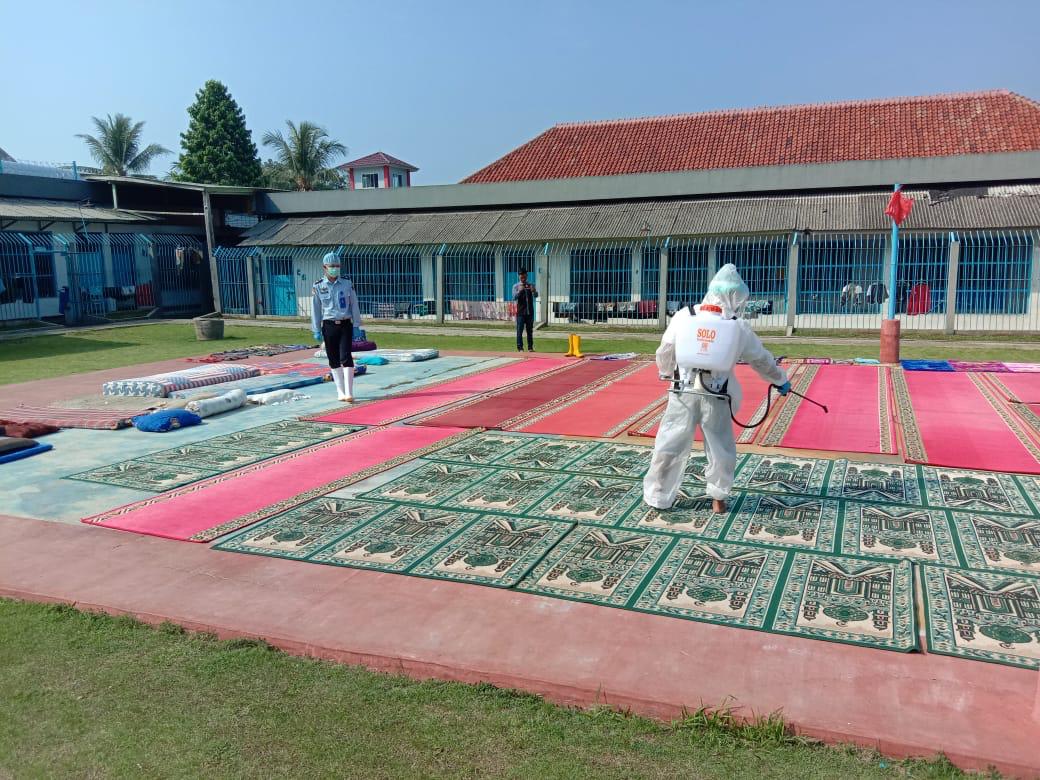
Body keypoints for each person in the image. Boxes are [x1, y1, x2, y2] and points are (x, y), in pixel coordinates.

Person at [643, 264, 791, 514]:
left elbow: (665, 350)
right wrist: (780, 380)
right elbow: (762, 360)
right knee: (720, 446)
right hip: (718, 394)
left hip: (683, 391)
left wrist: (667, 372)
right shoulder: (737, 325)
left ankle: (659, 496)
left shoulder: (684, 315)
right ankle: (718, 498)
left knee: (670, 442)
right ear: (735, 296)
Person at [311, 252, 362, 402]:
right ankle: (340, 392)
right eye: (331, 266)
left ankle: (349, 392)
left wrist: (357, 325)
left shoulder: (347, 283)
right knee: (333, 359)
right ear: (324, 267)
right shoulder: (318, 285)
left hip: (345, 324)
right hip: (329, 325)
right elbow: (315, 309)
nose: (335, 269)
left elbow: (354, 305)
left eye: (337, 266)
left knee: (346, 357)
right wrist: (316, 329)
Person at [511, 269, 538, 352]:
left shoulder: (531, 285)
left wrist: (534, 291)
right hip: (521, 312)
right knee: (519, 330)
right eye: (521, 275)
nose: (523, 277)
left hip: (530, 312)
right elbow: (514, 297)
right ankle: (520, 348)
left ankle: (530, 347)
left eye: (524, 275)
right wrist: (520, 290)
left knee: (530, 330)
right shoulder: (516, 286)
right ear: (519, 276)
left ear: (526, 275)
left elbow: (536, 295)